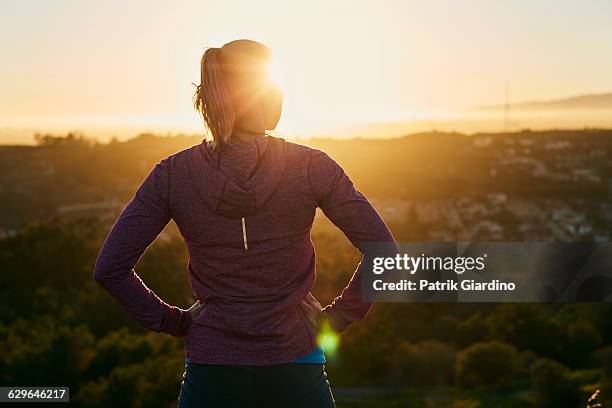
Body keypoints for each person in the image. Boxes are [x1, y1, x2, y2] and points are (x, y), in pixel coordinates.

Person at [93, 39, 396, 408]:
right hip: (296, 367)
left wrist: (174, 322)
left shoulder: (173, 175)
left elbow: (110, 269)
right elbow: (385, 252)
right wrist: (336, 320)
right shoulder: (312, 167)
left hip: (211, 371)